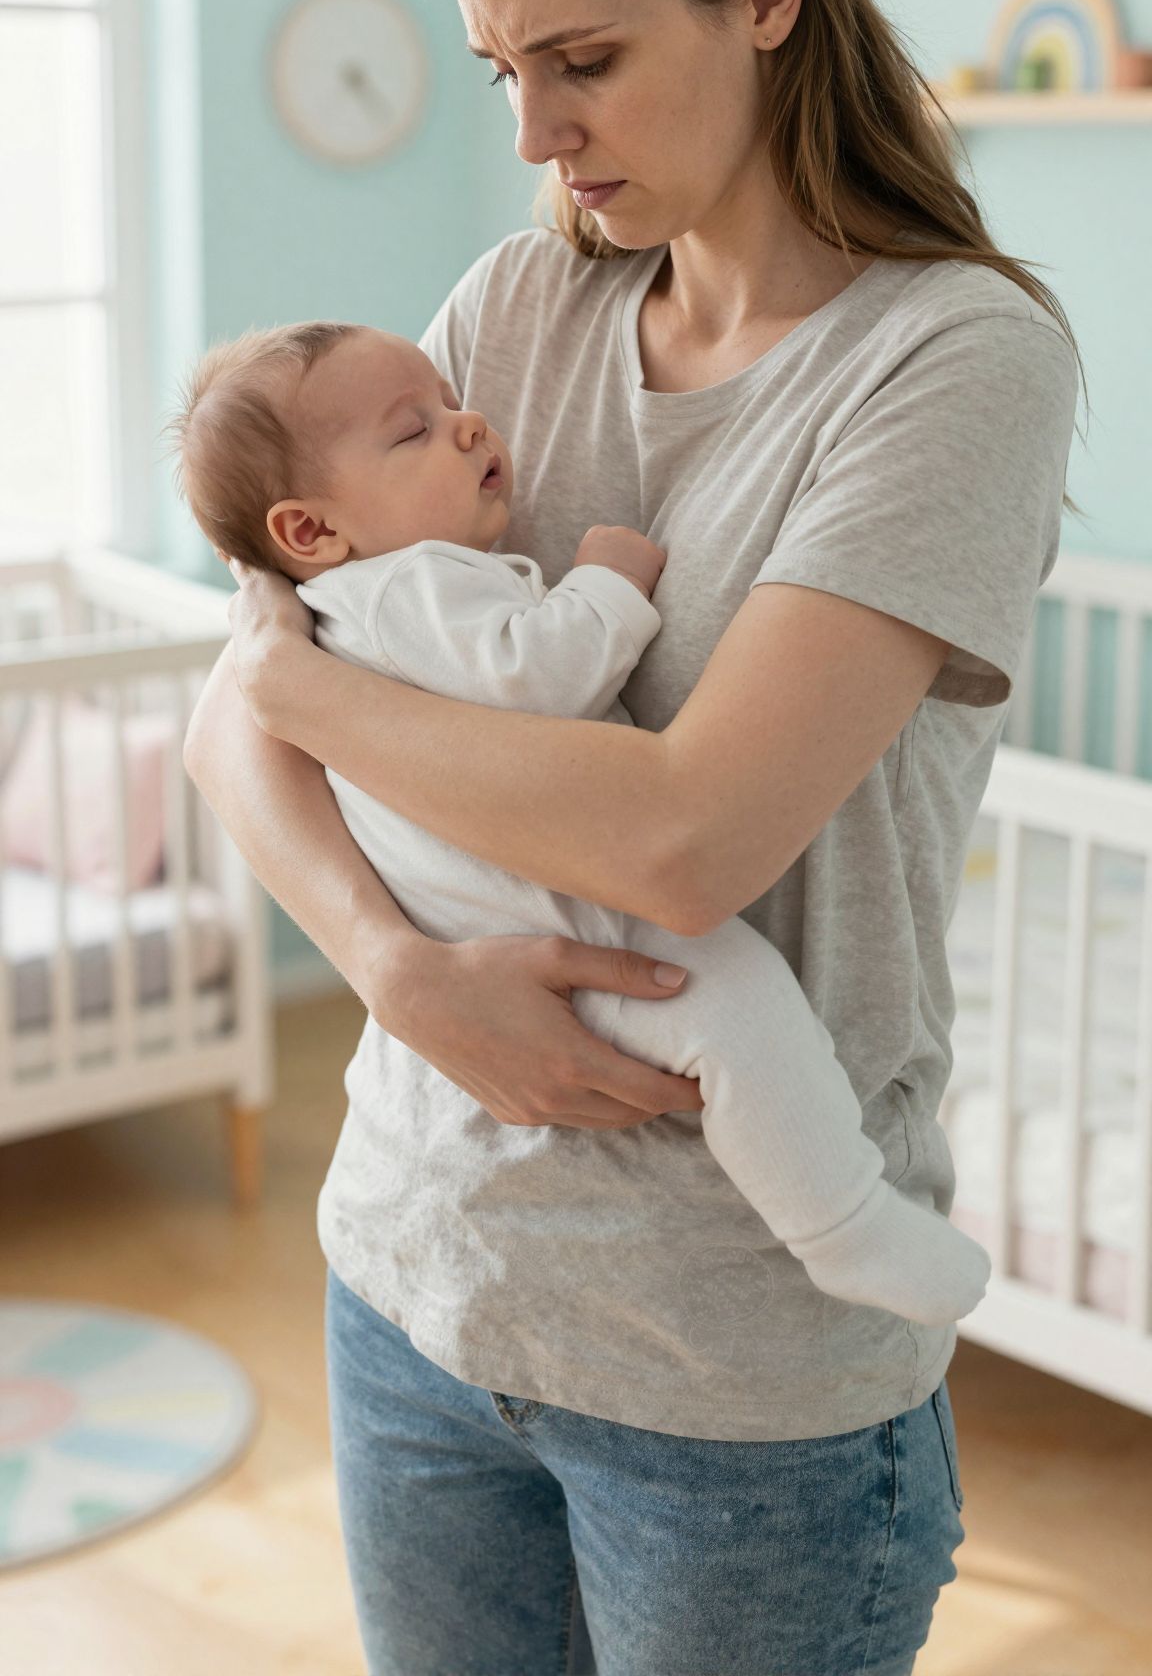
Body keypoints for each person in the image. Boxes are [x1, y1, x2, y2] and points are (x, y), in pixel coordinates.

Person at [183, 0, 1084, 1676]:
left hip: (733, 1377)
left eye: (580, 59)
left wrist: (292, 675)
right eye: (501, 71)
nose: (535, 131)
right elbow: (232, 717)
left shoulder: (951, 359)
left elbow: (686, 839)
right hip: (415, 1279)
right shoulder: (518, 308)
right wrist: (395, 967)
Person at [168, 318, 992, 1327]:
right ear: (308, 533)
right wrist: (607, 577)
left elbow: (272, 689)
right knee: (742, 1011)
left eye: (449, 402)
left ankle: (842, 1224)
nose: (470, 424)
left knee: (737, 1020)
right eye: (415, 430)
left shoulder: (334, 606)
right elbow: (541, 675)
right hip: (569, 932)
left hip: (519, 950)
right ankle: (845, 1224)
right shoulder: (403, 586)